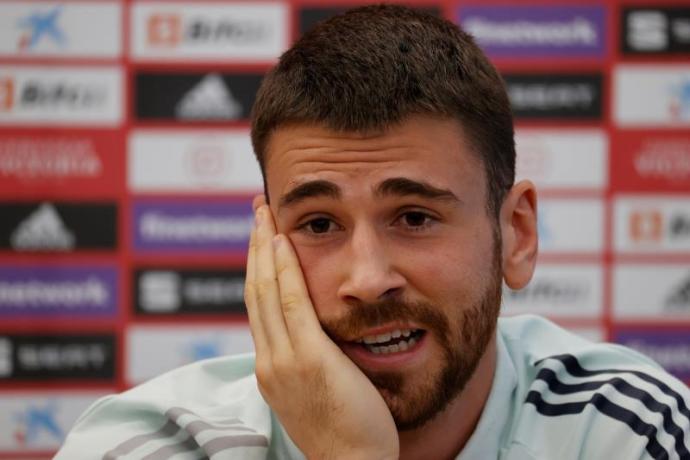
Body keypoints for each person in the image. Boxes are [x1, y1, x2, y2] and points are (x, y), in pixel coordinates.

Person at [56, 5, 690, 460]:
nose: (367, 279)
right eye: (319, 224)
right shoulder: (148, 445)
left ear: (516, 235)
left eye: (415, 217)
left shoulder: (627, 430)